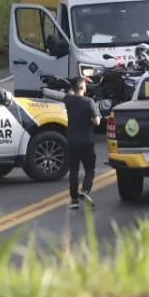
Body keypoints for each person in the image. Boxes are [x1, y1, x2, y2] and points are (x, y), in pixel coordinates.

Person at [64, 77, 101, 209]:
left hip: (72, 141)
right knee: (89, 169)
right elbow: (97, 121)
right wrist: (90, 120)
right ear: (83, 88)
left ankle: (74, 200)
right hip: (87, 141)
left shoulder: (69, 101)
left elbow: (69, 92)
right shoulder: (89, 102)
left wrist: (77, 80)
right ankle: (85, 191)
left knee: (73, 171)